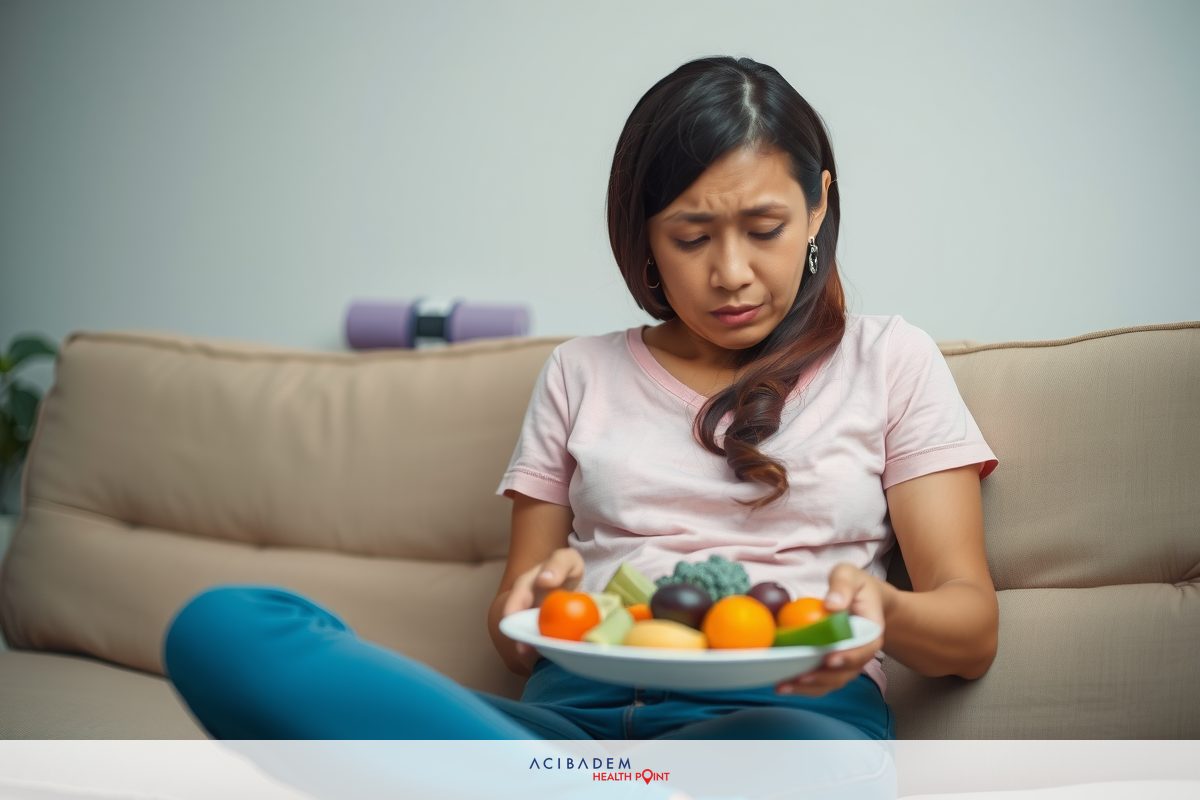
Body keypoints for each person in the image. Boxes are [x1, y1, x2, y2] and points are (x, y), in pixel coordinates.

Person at [163, 55, 997, 797]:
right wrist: (530, 604)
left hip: (777, 732)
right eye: (692, 236)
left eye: (765, 229)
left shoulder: (890, 358)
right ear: (644, 237)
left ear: (818, 207)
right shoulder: (578, 372)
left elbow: (971, 631)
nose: (732, 272)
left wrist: (881, 612)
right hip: (567, 736)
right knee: (227, 627)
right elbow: (513, 638)